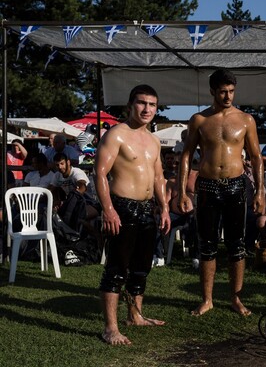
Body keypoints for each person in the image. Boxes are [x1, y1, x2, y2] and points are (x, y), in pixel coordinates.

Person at [177, 69, 264, 318]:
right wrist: (182, 191)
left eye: (232, 91)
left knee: (237, 245)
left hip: (236, 185)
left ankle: (236, 299)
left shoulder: (246, 120)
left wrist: (260, 191)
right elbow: (186, 156)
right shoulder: (199, 120)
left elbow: (257, 157)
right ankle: (207, 299)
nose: (228, 96)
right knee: (207, 245)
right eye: (223, 91)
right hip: (207, 185)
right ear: (213, 91)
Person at [95, 84, 171, 346]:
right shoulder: (116, 135)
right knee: (117, 269)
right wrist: (108, 209)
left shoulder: (153, 140)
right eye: (142, 103)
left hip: (147, 208)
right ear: (130, 105)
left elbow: (159, 177)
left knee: (141, 268)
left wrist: (165, 207)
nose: (147, 108)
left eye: (152, 104)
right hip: (122, 207)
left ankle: (135, 316)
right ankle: (110, 328)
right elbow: (100, 174)